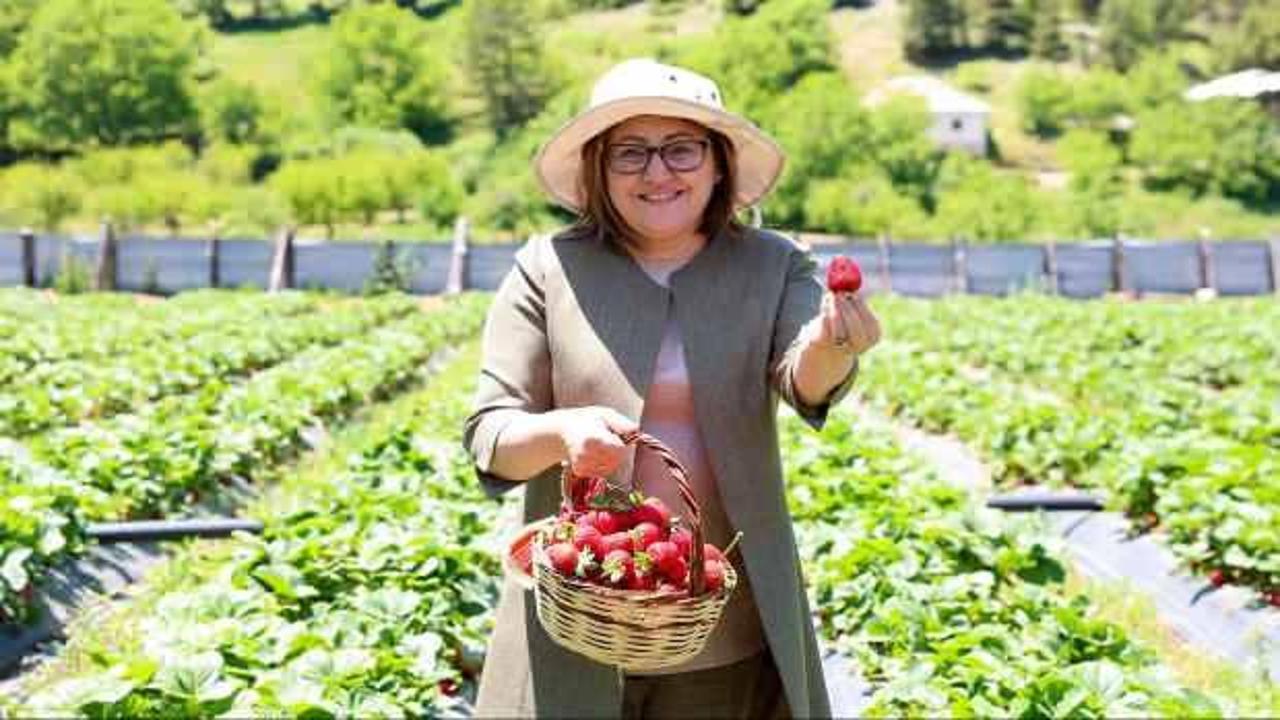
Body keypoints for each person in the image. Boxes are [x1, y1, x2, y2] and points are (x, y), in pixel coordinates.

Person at [462, 58, 881, 719]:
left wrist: (834, 342)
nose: (658, 173)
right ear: (599, 171)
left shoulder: (773, 265)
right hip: (579, 612)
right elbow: (491, 437)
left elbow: (805, 380)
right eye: (630, 153)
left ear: (718, 164)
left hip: (723, 624)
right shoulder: (549, 267)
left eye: (681, 148)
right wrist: (561, 432)